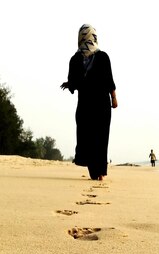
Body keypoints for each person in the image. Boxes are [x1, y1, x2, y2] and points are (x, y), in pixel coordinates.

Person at [61, 24, 118, 181]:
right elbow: (76, 82)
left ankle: (98, 172)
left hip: (93, 105)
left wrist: (114, 96)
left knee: (95, 137)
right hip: (93, 106)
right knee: (93, 138)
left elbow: (107, 79)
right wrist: (68, 84)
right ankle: (97, 172)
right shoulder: (83, 58)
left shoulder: (92, 58)